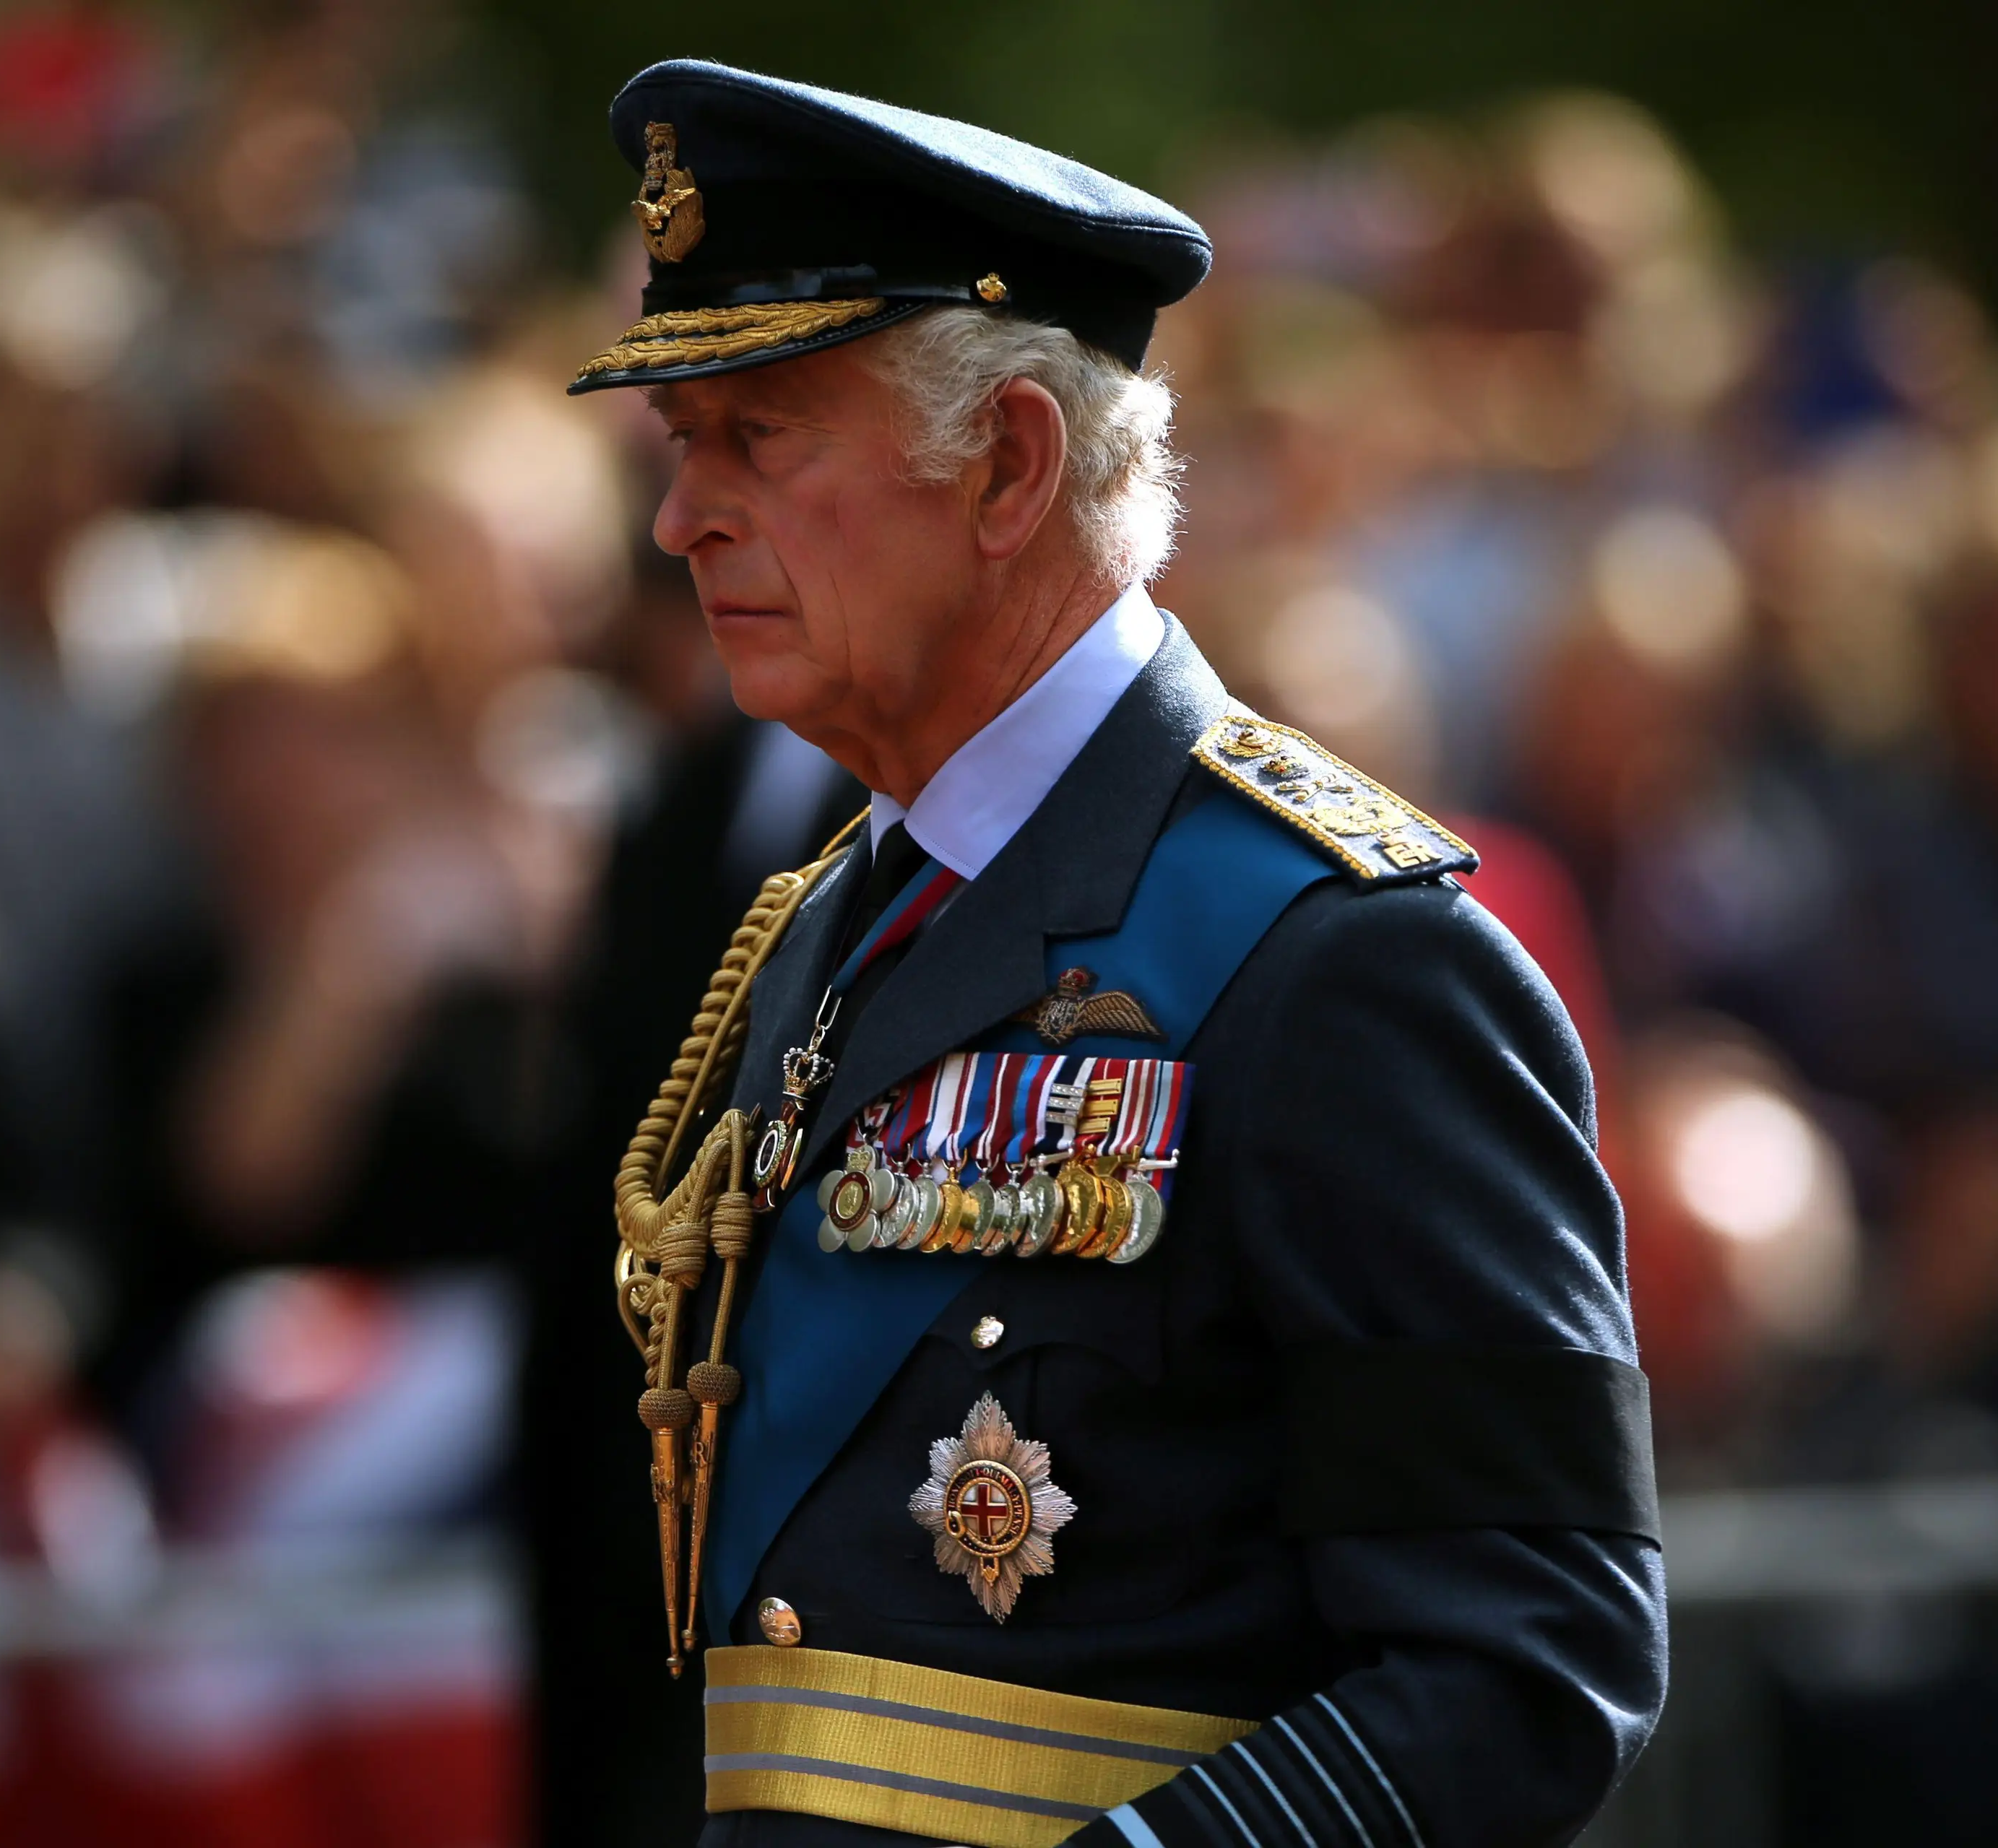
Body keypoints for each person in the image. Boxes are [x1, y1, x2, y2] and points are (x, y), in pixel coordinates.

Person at [579, 61, 1664, 1848]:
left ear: (1008, 462)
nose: (677, 521)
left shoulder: (1341, 956)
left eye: (757, 438)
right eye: (681, 449)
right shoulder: (818, 922)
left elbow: (1532, 1662)